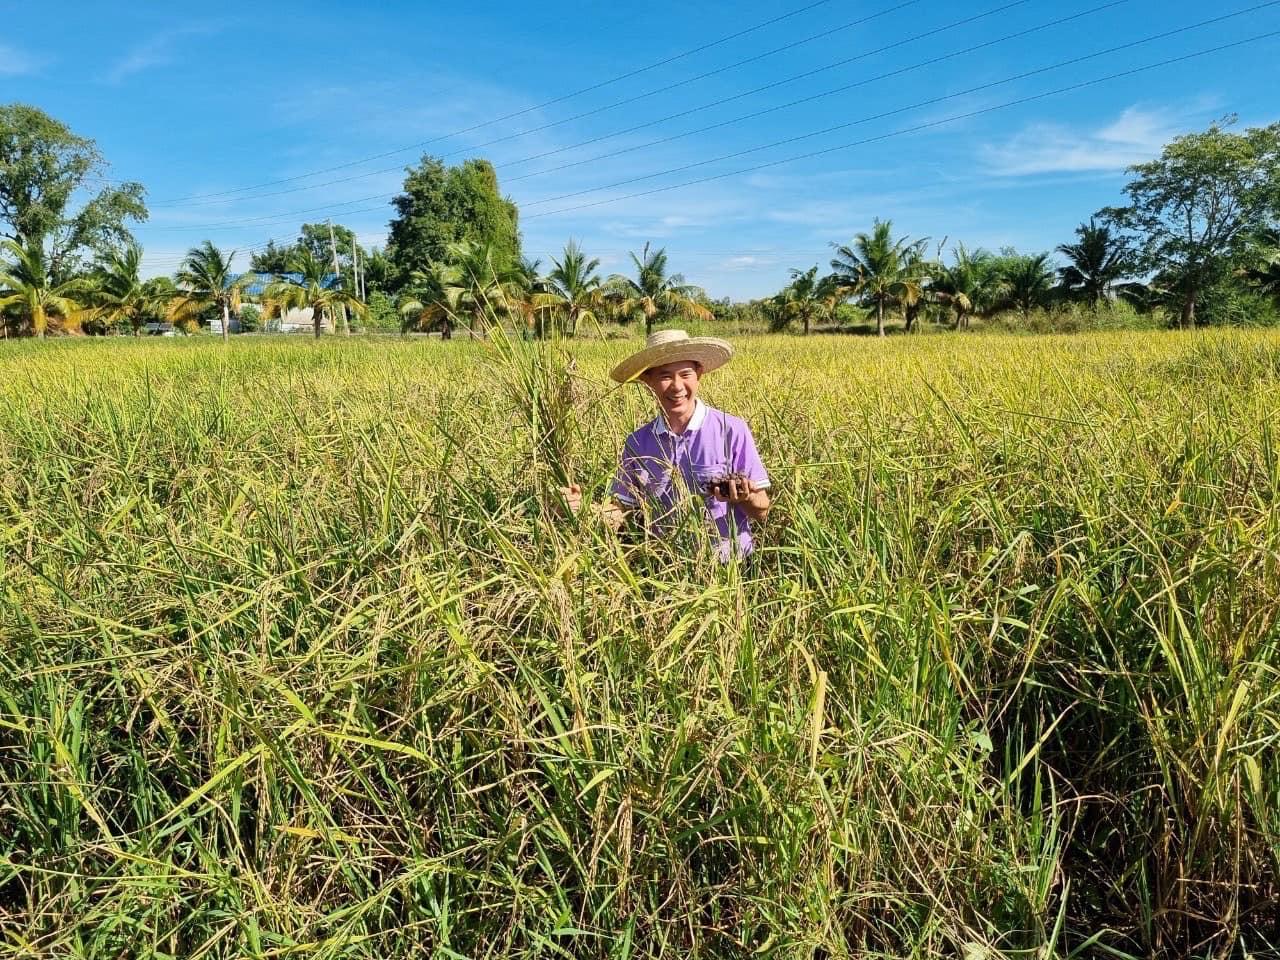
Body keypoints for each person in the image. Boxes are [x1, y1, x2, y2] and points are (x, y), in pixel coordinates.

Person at [563, 329, 770, 561]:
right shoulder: (637, 443)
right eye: (664, 376)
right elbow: (621, 511)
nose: (677, 386)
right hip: (664, 568)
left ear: (699, 374)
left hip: (730, 567)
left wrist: (745, 497)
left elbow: (762, 510)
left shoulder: (731, 429)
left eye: (685, 374)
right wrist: (583, 509)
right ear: (648, 381)